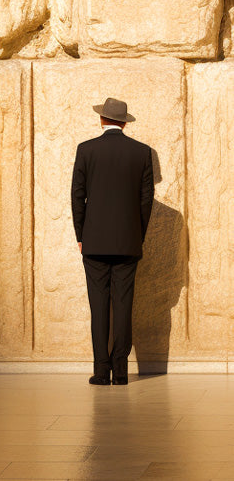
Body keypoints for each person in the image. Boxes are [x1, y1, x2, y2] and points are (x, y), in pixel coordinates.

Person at [70, 97, 154, 386]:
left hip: (93, 242)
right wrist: (137, 236)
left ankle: (101, 370)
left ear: (102, 120)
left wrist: (81, 235)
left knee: (99, 308)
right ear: (124, 122)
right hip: (128, 242)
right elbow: (146, 202)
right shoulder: (142, 152)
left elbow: (77, 196)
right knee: (123, 304)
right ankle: (121, 371)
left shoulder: (86, 150)